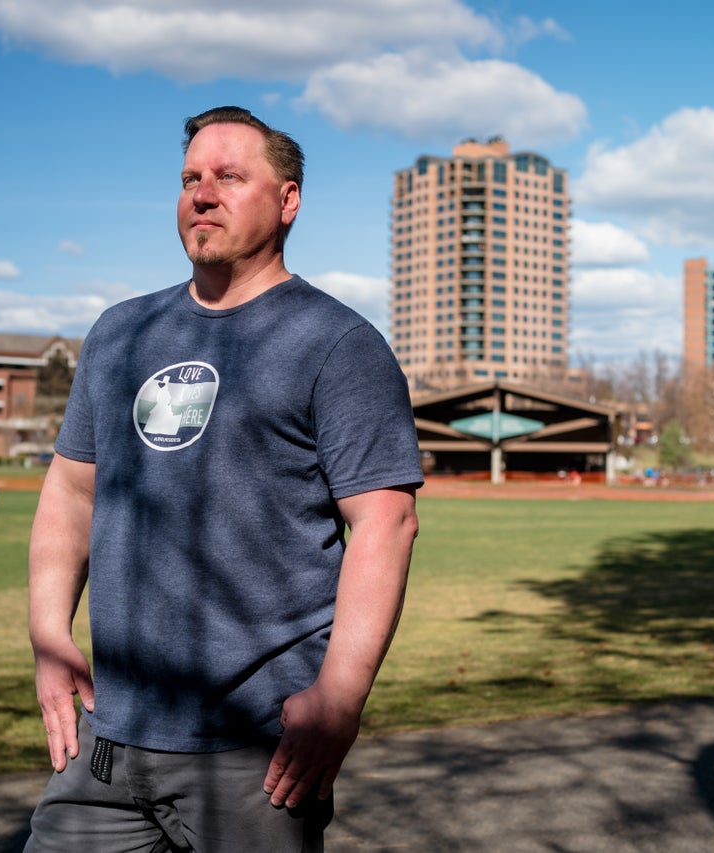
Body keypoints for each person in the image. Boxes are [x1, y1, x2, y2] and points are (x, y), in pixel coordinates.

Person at [24, 106, 423, 851]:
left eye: (229, 176)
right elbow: (71, 492)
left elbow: (385, 523)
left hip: (254, 758)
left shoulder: (338, 344)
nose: (201, 194)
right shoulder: (119, 333)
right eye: (189, 178)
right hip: (105, 749)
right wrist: (49, 634)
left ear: (288, 200)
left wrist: (339, 697)